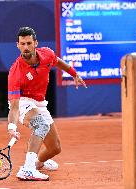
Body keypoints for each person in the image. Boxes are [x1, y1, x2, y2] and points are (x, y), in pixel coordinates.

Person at [7, 27, 86, 181]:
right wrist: (12, 126)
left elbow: (58, 62)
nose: (26, 47)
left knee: (55, 148)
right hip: (24, 102)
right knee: (41, 125)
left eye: (29, 43)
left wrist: (74, 74)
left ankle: (36, 163)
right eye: (22, 44)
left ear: (35, 43)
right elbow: (15, 105)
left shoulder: (47, 54)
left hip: (40, 103)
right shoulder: (15, 72)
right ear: (17, 45)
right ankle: (28, 170)